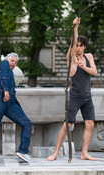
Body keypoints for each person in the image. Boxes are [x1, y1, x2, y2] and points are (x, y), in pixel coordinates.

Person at [48, 17, 97, 161]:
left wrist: (84, 67)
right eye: (77, 45)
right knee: (67, 124)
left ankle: (84, 153)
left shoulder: (89, 57)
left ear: (84, 47)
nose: (78, 47)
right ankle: (56, 153)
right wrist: (75, 27)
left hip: (87, 97)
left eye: (81, 45)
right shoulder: (71, 59)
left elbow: (94, 72)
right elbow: (73, 41)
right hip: (75, 97)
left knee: (90, 124)